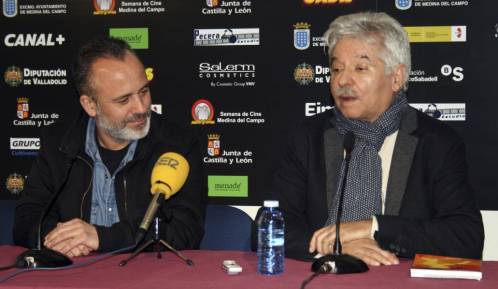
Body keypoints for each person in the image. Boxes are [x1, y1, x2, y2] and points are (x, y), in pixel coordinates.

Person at [271, 12, 484, 265]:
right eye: (337, 68)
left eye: (360, 68)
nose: (342, 80)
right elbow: (271, 226)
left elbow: (466, 237)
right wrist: (338, 246)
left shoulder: (436, 143)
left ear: (396, 77)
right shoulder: (307, 138)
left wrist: (373, 227)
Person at [13, 36, 206, 257]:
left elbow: (185, 232)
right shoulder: (59, 144)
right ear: (90, 105)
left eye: (143, 91)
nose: (141, 108)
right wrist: (64, 239)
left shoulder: (178, 145)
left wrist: (101, 237)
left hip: (145, 276)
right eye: (124, 100)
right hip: (73, 274)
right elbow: (27, 221)